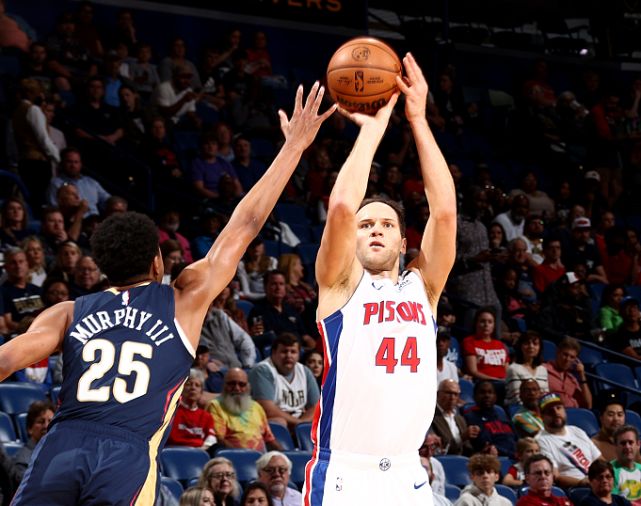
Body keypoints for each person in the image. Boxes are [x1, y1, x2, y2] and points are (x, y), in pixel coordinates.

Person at [0, 82, 335, 505]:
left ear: (102, 267)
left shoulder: (67, 312)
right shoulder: (182, 299)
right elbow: (246, 224)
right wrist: (293, 148)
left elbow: (6, 359)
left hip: (62, 445)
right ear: (157, 263)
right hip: (126, 454)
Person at [304, 53, 457, 505]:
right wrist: (372, 132)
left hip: (409, 472)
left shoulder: (423, 287)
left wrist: (418, 119)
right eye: (366, 224)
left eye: (386, 224)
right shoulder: (339, 286)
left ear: (403, 241)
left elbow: (445, 213)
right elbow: (341, 209)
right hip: (345, 472)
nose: (374, 229)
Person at [248, 332, 319, 430]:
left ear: (299, 355)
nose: (288, 356)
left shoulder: (304, 371)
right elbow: (267, 409)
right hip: (274, 423)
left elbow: (316, 406)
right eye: (284, 351)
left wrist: (302, 425)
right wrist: (299, 424)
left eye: (293, 352)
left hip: (300, 421)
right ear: (274, 353)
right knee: (279, 422)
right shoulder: (263, 370)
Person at [535, 392, 602, 487]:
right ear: (542, 416)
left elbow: (599, 460)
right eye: (550, 411)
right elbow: (555, 477)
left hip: (599, 483)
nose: (556, 413)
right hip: (576, 489)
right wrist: (582, 483)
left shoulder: (577, 431)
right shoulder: (541, 441)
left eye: (558, 408)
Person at [207, 368, 282, 452]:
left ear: (248, 387)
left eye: (242, 384)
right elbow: (219, 440)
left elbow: (269, 438)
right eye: (232, 384)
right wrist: (244, 455)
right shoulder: (215, 406)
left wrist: (284, 454)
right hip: (232, 456)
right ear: (224, 385)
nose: (237, 388)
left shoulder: (256, 407)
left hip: (261, 456)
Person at [46, 148, 111, 217]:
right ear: (62, 163)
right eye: (69, 162)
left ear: (80, 164)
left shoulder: (90, 182)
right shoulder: (56, 184)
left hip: (96, 220)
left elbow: (108, 200)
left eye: (76, 162)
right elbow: (53, 210)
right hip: (73, 221)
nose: (73, 166)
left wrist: (114, 202)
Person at [463, 381, 517, 458]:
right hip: (494, 457)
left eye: (490, 392)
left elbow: (516, 438)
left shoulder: (502, 414)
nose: (487, 395)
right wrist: (513, 454)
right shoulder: (470, 417)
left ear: (495, 397)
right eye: (482, 392)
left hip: (515, 456)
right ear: (474, 396)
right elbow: (484, 444)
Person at [167, 369, 217, 452]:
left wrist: (200, 450)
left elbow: (211, 438)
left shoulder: (206, 416)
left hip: (200, 452)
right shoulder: (171, 412)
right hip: (175, 452)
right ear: (181, 389)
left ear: (201, 392)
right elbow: (172, 438)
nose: (193, 388)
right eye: (189, 384)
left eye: (197, 385)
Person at [12, 400, 55, 486]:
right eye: (41, 422)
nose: (46, 426)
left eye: (50, 421)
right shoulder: (22, 461)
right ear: (29, 429)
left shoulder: (60, 452)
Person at [431, 379, 479, 455]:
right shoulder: (430, 417)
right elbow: (438, 450)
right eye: (448, 393)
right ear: (438, 394)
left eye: (455, 394)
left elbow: (467, 448)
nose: (452, 397)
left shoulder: (460, 418)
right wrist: (461, 438)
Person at [462, 307, 510, 381]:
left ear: (494, 325)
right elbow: (473, 371)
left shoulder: (500, 344)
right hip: (483, 382)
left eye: (490, 322)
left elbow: (507, 371)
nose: (486, 325)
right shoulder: (469, 341)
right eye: (482, 321)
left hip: (503, 382)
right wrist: (495, 379)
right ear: (476, 323)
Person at [544, 337, 593, 409]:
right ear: (558, 352)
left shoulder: (572, 379)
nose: (567, 359)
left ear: (575, 360)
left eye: (572, 357)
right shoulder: (543, 370)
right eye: (565, 354)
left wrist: (582, 375)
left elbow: (588, 405)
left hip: (574, 414)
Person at [505, 331, 550, 405]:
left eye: (535, 344)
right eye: (527, 343)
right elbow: (517, 399)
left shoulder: (543, 369)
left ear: (540, 348)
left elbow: (546, 396)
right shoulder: (513, 369)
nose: (531, 346)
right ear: (520, 346)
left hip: (540, 409)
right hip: (519, 409)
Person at [591, 395, 626, 462]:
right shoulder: (593, 444)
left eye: (620, 415)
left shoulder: (629, 442)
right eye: (611, 415)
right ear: (601, 418)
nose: (616, 419)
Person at [611, 425, 641, 503]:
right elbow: (612, 502)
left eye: (630, 442)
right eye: (623, 443)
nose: (627, 447)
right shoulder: (609, 471)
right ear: (615, 446)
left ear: (638, 444)